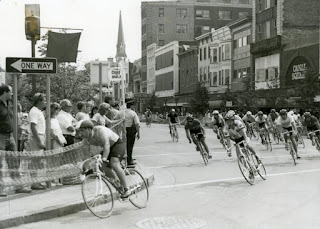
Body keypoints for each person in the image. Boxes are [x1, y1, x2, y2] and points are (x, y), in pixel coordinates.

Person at [77, 120, 131, 198]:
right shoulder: (85, 140)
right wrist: (84, 168)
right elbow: (86, 156)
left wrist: (104, 158)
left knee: (114, 163)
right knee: (101, 166)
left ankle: (126, 188)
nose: (80, 133)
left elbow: (106, 144)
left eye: (82, 131)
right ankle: (117, 183)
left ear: (88, 129)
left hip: (117, 144)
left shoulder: (100, 130)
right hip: (108, 148)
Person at [25, 92, 47, 190]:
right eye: (44, 100)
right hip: (35, 138)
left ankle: (36, 181)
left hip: (39, 136)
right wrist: (39, 140)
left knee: (37, 160)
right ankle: (34, 182)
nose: (45, 102)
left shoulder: (38, 111)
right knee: (34, 160)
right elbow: (33, 127)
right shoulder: (34, 111)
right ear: (39, 101)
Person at [124, 98, 140, 167]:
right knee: (130, 146)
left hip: (123, 130)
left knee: (125, 145)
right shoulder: (133, 113)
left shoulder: (122, 112)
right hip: (131, 130)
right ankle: (129, 160)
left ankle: (127, 159)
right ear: (131, 106)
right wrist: (139, 133)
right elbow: (137, 124)